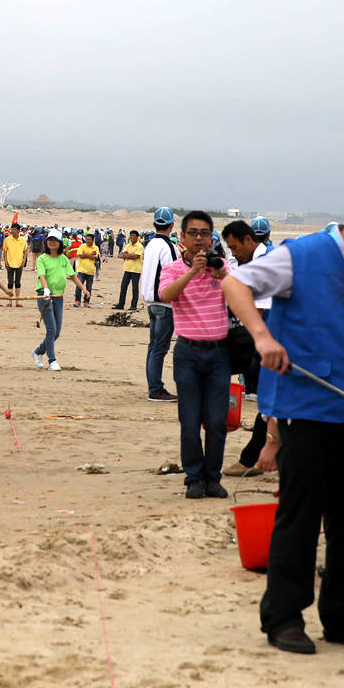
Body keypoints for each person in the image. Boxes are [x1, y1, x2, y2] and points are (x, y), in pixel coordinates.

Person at [222, 178, 344, 657]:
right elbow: (235, 283)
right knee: (300, 515)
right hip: (305, 411)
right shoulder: (301, 255)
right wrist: (263, 337)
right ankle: (284, 618)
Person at [157, 211, 231, 499]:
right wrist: (192, 271)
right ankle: (194, 478)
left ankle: (213, 477)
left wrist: (221, 274)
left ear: (212, 237)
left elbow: (241, 293)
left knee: (216, 421)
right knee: (189, 420)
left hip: (219, 353)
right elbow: (165, 296)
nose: (199, 239)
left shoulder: (221, 266)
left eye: (205, 233)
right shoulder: (174, 268)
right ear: (183, 237)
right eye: (194, 233)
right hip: (188, 352)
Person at [221, 219, 271, 477]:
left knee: (270, 402)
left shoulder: (264, 263)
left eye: (235, 248)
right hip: (271, 340)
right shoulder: (258, 260)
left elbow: (260, 312)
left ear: (249, 240)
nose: (233, 253)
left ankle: (251, 459)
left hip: (276, 343)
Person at [32, 229, 90, 371]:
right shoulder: (42, 259)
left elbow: (73, 275)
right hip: (45, 297)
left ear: (59, 243)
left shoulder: (63, 259)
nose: (52, 242)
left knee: (57, 332)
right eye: (50, 240)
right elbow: (42, 275)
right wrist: (45, 289)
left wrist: (83, 288)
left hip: (58, 297)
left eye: (55, 240)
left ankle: (38, 352)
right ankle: (52, 361)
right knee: (51, 330)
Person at [140, 207, 181, 402]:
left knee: (153, 346)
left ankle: (154, 386)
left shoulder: (149, 244)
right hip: (164, 303)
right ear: (171, 225)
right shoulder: (169, 247)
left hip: (150, 300)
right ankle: (155, 389)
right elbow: (174, 274)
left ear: (155, 224)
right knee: (159, 348)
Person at [112, 230, 145, 311]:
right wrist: (129, 255)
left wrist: (127, 255)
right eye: (131, 235)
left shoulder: (140, 246)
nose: (132, 237)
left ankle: (133, 305)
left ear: (137, 237)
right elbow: (123, 255)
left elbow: (136, 256)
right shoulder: (128, 245)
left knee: (134, 288)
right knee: (123, 287)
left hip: (136, 270)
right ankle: (121, 304)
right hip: (127, 269)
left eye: (133, 235)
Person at [2, 223, 29, 308]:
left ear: (18, 230)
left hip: (19, 264)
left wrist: (23, 262)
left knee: (18, 283)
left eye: (14, 229)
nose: (12, 231)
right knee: (10, 282)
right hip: (10, 263)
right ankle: (10, 301)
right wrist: (5, 262)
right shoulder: (7, 240)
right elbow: (5, 251)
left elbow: (25, 251)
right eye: (11, 229)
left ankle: (17, 301)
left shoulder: (23, 240)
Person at [74, 232, 100, 308]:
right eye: (86, 239)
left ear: (92, 240)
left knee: (89, 288)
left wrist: (85, 254)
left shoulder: (96, 247)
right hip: (81, 270)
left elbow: (95, 257)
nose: (87, 241)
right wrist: (90, 254)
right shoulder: (82, 246)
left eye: (89, 239)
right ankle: (77, 301)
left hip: (90, 271)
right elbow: (80, 255)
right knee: (79, 286)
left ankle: (86, 302)